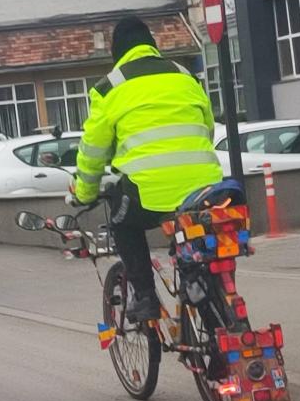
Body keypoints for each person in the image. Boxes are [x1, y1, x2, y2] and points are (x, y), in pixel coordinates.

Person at [70, 16, 223, 322]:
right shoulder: (185, 76)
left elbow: (93, 154)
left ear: (117, 52)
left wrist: (84, 193)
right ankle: (213, 311)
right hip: (207, 190)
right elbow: (206, 129)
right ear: (151, 44)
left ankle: (145, 297)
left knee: (122, 221)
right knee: (200, 258)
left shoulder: (109, 88)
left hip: (151, 195)